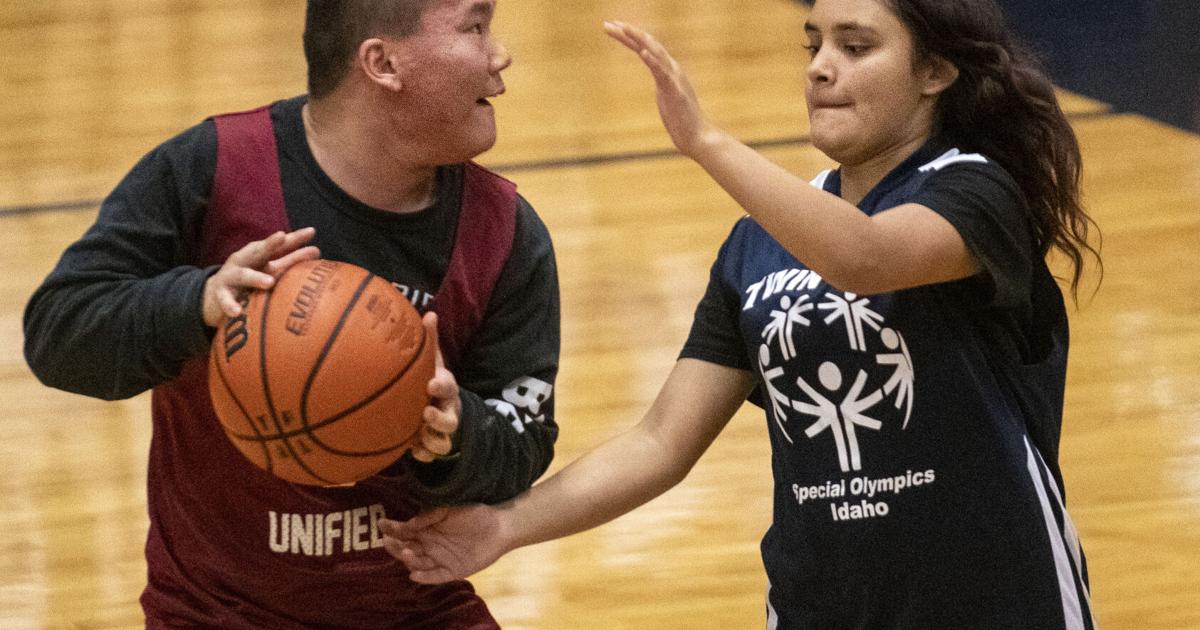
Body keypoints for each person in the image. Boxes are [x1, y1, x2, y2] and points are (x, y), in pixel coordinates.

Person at [380, 0, 1102, 628]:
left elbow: (868, 258)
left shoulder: (977, 192)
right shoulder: (759, 243)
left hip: (997, 604)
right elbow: (663, 441)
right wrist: (506, 525)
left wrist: (706, 141)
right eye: (813, 43)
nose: (821, 68)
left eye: (855, 47)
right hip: (819, 608)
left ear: (936, 72)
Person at [23, 0, 559, 628]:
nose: (500, 55)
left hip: (416, 606)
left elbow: (526, 438)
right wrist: (195, 303)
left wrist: (457, 434)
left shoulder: (505, 232)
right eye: (475, 27)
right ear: (382, 63)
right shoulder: (212, 167)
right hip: (216, 613)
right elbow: (57, 333)